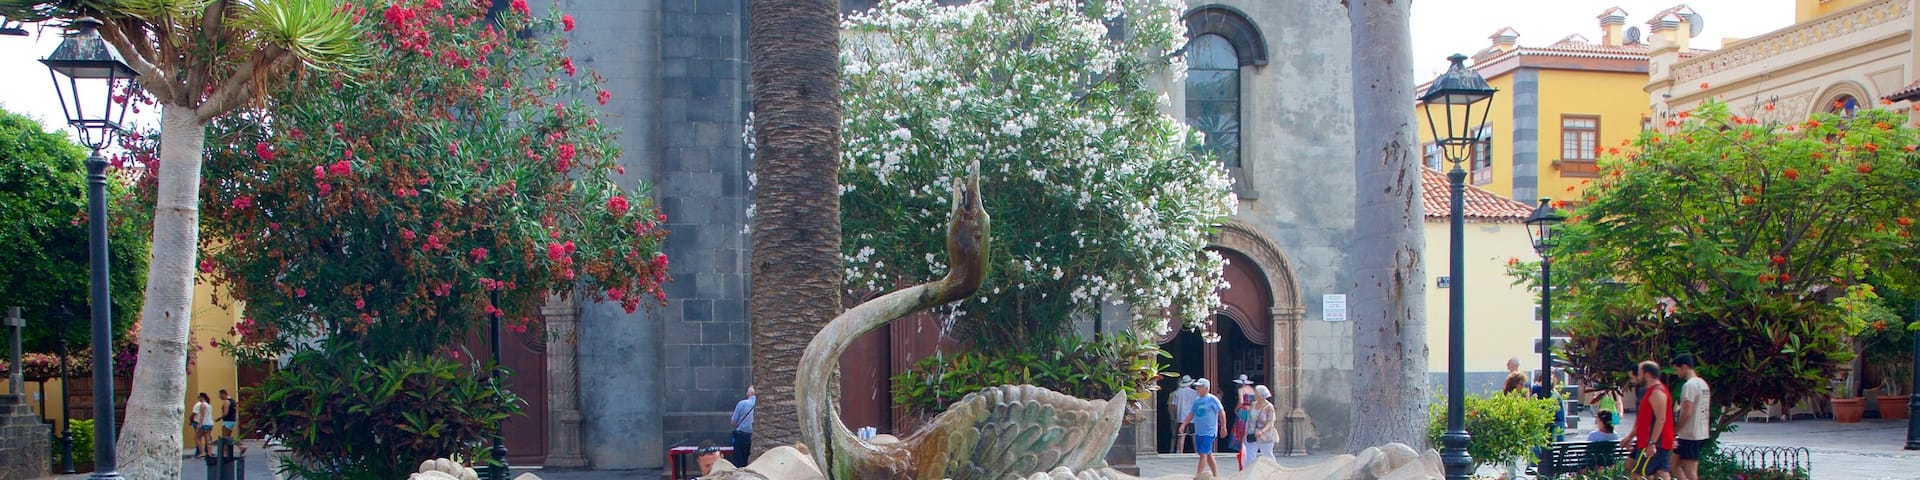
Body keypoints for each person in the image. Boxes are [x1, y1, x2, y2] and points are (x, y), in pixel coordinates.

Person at [1621, 361, 1675, 480]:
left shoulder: (1657, 392)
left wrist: (1652, 443)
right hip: (1654, 441)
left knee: (1636, 474)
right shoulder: (1651, 391)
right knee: (1661, 473)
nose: (1638, 377)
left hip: (1653, 442)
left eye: (1640, 374)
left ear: (1647, 375)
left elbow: (1661, 419)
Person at [1673, 354, 1712, 480]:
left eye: (1677, 369)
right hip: (1699, 432)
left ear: (1684, 367)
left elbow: (1687, 412)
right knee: (1674, 465)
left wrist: (1676, 430)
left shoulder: (1689, 385)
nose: (1676, 373)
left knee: (1691, 472)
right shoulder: (1703, 384)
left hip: (1690, 434)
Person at [1179, 378, 1227, 478]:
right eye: (1196, 387)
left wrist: (1223, 426)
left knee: (1203, 453)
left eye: (1199, 387)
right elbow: (1191, 413)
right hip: (1199, 431)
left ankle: (1198, 474)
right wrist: (1184, 424)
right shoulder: (1197, 400)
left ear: (1206, 388)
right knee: (1207, 453)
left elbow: (1221, 412)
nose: (1197, 389)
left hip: (1209, 431)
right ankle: (1215, 474)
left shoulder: (1212, 399)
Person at [1239, 385, 1278, 469]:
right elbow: (1249, 420)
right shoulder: (1253, 404)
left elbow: (1270, 422)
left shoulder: (1269, 407)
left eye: (1256, 394)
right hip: (1252, 434)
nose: (1255, 395)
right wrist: (1245, 433)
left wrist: (1262, 431)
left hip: (1265, 435)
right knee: (1250, 455)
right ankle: (1250, 474)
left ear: (1262, 395)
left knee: (1267, 455)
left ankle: (1273, 472)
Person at [1168, 376, 1198, 454]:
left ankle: (1180, 451)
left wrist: (1175, 416)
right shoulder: (1195, 393)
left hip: (1181, 416)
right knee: (1194, 435)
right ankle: (1196, 450)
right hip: (1192, 417)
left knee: (1181, 435)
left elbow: (1174, 406)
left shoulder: (1178, 393)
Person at [730, 385, 756, 467]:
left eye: (748, 391)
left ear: (751, 393)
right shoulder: (760, 404)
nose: (746, 393)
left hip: (742, 436)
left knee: (740, 462)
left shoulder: (742, 403)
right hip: (755, 437)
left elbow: (733, 421)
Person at [191, 392, 213, 458]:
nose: (198, 399)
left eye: (199, 397)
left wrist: (199, 425)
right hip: (210, 423)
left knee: (196, 438)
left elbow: (202, 416)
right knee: (207, 439)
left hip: (204, 424)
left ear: (202, 397)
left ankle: (202, 452)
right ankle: (209, 453)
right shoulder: (208, 405)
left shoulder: (202, 405)